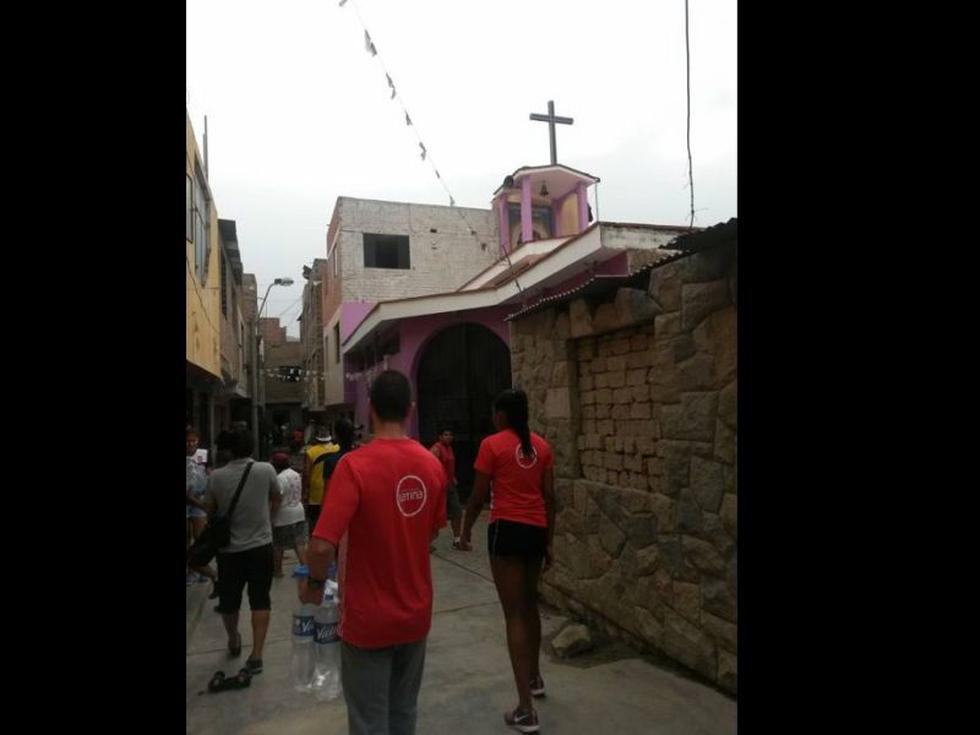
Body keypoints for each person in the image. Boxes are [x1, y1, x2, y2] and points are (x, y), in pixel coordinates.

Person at [301, 370, 446, 735]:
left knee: (368, 723)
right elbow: (429, 532)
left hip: (367, 620)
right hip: (415, 614)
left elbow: (320, 545)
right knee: (403, 714)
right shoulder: (432, 465)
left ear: (370, 411)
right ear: (410, 410)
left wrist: (315, 586)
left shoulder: (354, 467)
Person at [460, 389, 556, 734]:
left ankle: (526, 711)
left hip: (507, 531)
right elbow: (551, 498)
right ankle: (535, 678)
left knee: (513, 613)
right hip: (535, 532)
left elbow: (477, 495)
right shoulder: (542, 446)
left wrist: (464, 531)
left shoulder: (492, 445)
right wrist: (549, 543)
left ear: (502, 414)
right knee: (529, 606)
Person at [202, 429, 281, 675]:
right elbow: (277, 497)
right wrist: (268, 520)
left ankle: (234, 638)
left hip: (229, 551)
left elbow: (210, 510)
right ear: (252, 448)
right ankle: (257, 654)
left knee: (229, 602)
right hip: (261, 547)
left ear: (229, 450)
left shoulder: (216, 477)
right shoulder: (266, 470)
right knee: (260, 599)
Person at [185, 428, 219, 597]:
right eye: (188, 441)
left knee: (200, 537)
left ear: (197, 441)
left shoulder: (203, 454)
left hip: (199, 499)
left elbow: (210, 473)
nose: (190, 444)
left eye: (193, 440)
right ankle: (190, 570)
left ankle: (200, 569)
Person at [270, 451, 307, 577]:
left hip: (284, 515)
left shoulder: (280, 478)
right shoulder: (296, 474)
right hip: (298, 511)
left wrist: (272, 516)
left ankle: (278, 571)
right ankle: (305, 567)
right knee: (299, 542)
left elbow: (277, 498)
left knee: (278, 545)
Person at [430, 427, 464, 550]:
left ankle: (457, 540)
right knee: (436, 516)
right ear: (440, 437)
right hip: (439, 487)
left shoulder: (449, 448)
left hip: (450, 486)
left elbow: (448, 466)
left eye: (450, 435)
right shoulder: (436, 448)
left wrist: (452, 477)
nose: (448, 437)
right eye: (445, 434)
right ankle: (426, 543)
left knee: (457, 512)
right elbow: (429, 465)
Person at [303, 426, 339, 531]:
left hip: (316, 494)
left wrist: (305, 491)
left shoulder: (311, 452)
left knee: (314, 524)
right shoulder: (337, 448)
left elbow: (306, 474)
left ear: (317, 438)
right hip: (333, 491)